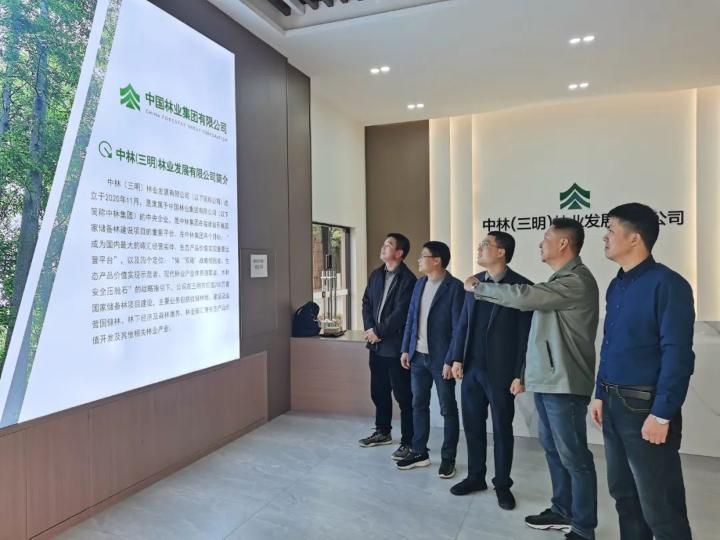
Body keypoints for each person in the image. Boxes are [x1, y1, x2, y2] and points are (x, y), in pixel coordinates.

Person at [465, 218, 599, 540]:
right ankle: (562, 509)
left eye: (546, 237)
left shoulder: (576, 280)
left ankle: (583, 527)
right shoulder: (559, 279)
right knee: (554, 450)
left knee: (575, 457)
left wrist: (479, 287)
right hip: (549, 381)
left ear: (563, 243)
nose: (540, 243)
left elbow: (524, 296)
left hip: (565, 384)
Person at [591, 203, 694, 540]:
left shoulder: (669, 284)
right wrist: (599, 393)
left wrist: (662, 414)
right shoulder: (617, 285)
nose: (605, 237)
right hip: (613, 404)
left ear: (635, 238)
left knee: (660, 505)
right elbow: (609, 345)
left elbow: (677, 354)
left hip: (644, 407)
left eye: (610, 230)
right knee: (624, 496)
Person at [447, 231, 533, 510]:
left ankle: (502, 484)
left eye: (485, 244)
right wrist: (457, 357)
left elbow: (525, 335)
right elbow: (463, 323)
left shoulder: (522, 287)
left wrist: (520, 373)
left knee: (502, 429)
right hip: (472, 367)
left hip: (502, 372)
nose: (479, 248)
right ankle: (476, 477)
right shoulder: (473, 282)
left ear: (501, 252)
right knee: (472, 425)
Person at [395, 241, 463, 479]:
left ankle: (448, 459)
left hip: (441, 360)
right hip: (417, 357)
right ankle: (419, 452)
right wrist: (406, 349)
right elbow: (411, 319)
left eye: (423, 256)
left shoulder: (454, 287)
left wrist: (451, 359)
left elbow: (458, 328)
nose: (418, 260)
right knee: (418, 405)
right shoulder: (419, 283)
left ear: (436, 260)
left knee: (448, 409)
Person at [359, 233, 417, 461]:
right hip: (376, 347)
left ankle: (408, 441)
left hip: (395, 348)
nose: (383, 247)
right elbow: (366, 302)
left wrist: (379, 332)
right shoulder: (376, 274)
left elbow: (401, 314)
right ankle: (382, 431)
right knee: (379, 391)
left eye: (388, 245)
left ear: (399, 253)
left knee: (403, 396)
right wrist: (370, 329)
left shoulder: (408, 280)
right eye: (384, 244)